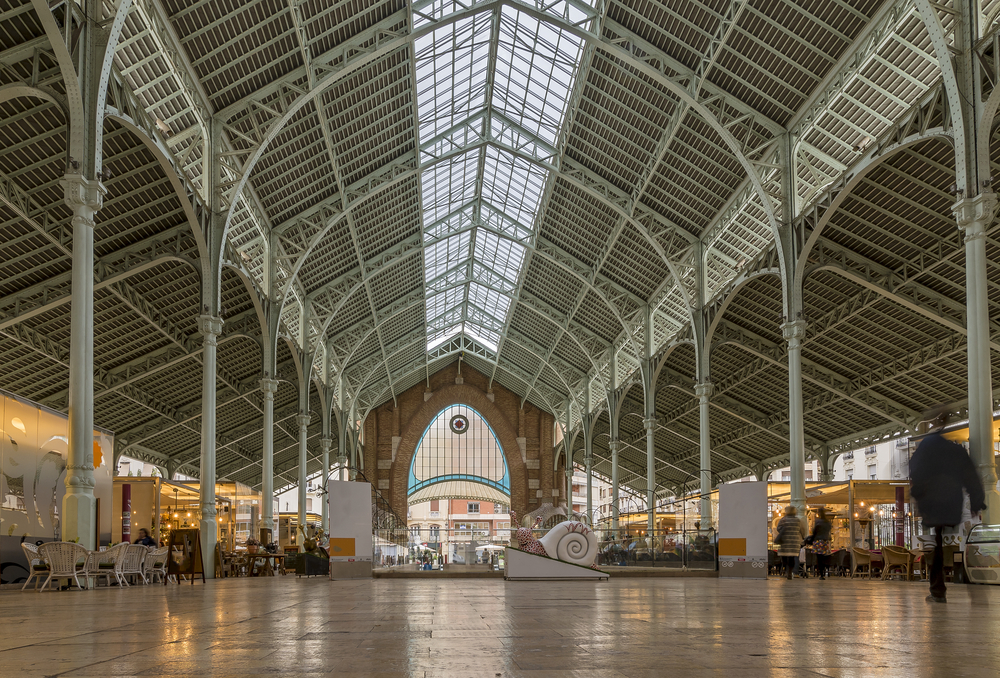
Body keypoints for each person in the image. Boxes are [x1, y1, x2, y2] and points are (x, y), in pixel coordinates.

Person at [909, 410, 986, 603]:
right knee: (945, 542)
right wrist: (976, 501)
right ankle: (975, 580)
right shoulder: (955, 450)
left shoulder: (925, 447)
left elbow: (915, 470)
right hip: (952, 503)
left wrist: (918, 496)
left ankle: (938, 590)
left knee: (937, 543)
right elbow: (971, 475)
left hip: (932, 503)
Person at [774, 506, 806, 580]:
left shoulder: (783, 520)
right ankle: (790, 572)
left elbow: (778, 528)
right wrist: (803, 538)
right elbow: (802, 530)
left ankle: (787, 571)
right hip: (794, 542)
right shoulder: (798, 520)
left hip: (785, 541)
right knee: (792, 558)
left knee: (784, 558)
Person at [810, 508, 832, 580]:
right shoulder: (827, 522)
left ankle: (821, 574)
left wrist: (811, 539)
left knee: (819, 558)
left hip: (818, 541)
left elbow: (814, 531)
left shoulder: (818, 521)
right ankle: (824, 571)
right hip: (825, 541)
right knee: (824, 557)